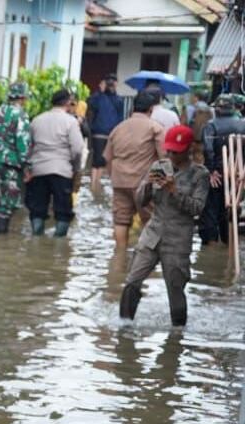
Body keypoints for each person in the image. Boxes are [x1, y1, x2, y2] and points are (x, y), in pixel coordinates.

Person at [119, 125, 209, 327]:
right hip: (152, 235)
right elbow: (140, 200)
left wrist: (174, 191)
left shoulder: (199, 175)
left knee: (175, 290)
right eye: (169, 151)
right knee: (132, 281)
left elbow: (197, 208)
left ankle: (177, 334)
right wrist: (148, 185)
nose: (171, 155)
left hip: (178, 241)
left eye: (176, 152)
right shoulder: (159, 166)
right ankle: (123, 328)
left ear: (189, 149)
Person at [105, 92, 166, 259]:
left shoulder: (118, 128)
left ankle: (119, 259)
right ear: (151, 109)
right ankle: (147, 261)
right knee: (150, 221)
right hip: (144, 183)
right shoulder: (155, 128)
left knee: (120, 221)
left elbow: (108, 158)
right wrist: (163, 184)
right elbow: (164, 157)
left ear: (133, 108)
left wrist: (114, 177)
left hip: (120, 182)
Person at [26, 88, 86, 236]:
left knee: (37, 210)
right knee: (63, 212)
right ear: (67, 103)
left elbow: (29, 146)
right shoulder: (71, 122)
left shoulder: (36, 120)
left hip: (38, 170)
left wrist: (29, 167)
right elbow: (78, 149)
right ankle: (58, 245)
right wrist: (76, 169)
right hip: (62, 171)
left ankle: (36, 238)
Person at [0, 83, 33, 234]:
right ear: (23, 98)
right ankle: (0, 237)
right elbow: (23, 142)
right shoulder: (21, 115)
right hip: (10, 163)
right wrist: (27, 166)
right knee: (8, 201)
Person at [198, 94, 245, 245]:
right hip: (237, 173)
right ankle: (228, 241)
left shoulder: (211, 125)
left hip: (217, 172)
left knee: (211, 209)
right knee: (231, 208)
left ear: (217, 109)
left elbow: (208, 150)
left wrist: (212, 171)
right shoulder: (242, 125)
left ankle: (211, 244)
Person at [86, 74, 125, 188]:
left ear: (116, 83)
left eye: (113, 82)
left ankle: (96, 186)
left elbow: (121, 118)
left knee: (105, 161)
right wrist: (100, 91)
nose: (111, 84)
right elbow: (90, 104)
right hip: (99, 133)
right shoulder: (99, 97)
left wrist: (119, 134)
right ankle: (94, 186)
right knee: (97, 160)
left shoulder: (119, 100)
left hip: (111, 134)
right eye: (109, 82)